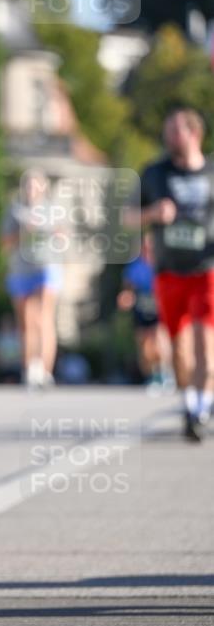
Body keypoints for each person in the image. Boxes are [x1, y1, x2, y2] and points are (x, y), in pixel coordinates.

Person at [129, 106, 213, 441]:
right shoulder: (154, 173)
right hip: (168, 271)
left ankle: (202, 408)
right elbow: (126, 217)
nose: (169, 137)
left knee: (206, 344)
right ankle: (190, 403)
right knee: (178, 347)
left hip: (207, 269)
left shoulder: (211, 172)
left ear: (195, 134)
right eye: (167, 131)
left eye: (175, 131)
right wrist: (152, 213)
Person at [0, 169, 63, 388]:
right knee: (26, 321)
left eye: (35, 185)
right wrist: (23, 233)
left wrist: (52, 234)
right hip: (20, 269)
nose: (31, 189)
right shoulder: (15, 209)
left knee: (43, 316)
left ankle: (45, 370)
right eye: (27, 185)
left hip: (46, 266)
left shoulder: (53, 210)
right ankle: (30, 369)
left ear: (43, 187)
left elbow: (64, 237)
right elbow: (4, 243)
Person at [116, 234, 172, 391]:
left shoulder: (162, 263)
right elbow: (128, 289)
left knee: (160, 340)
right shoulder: (134, 267)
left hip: (159, 309)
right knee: (145, 346)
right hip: (141, 309)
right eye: (145, 245)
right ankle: (152, 375)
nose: (148, 248)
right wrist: (126, 298)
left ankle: (165, 373)